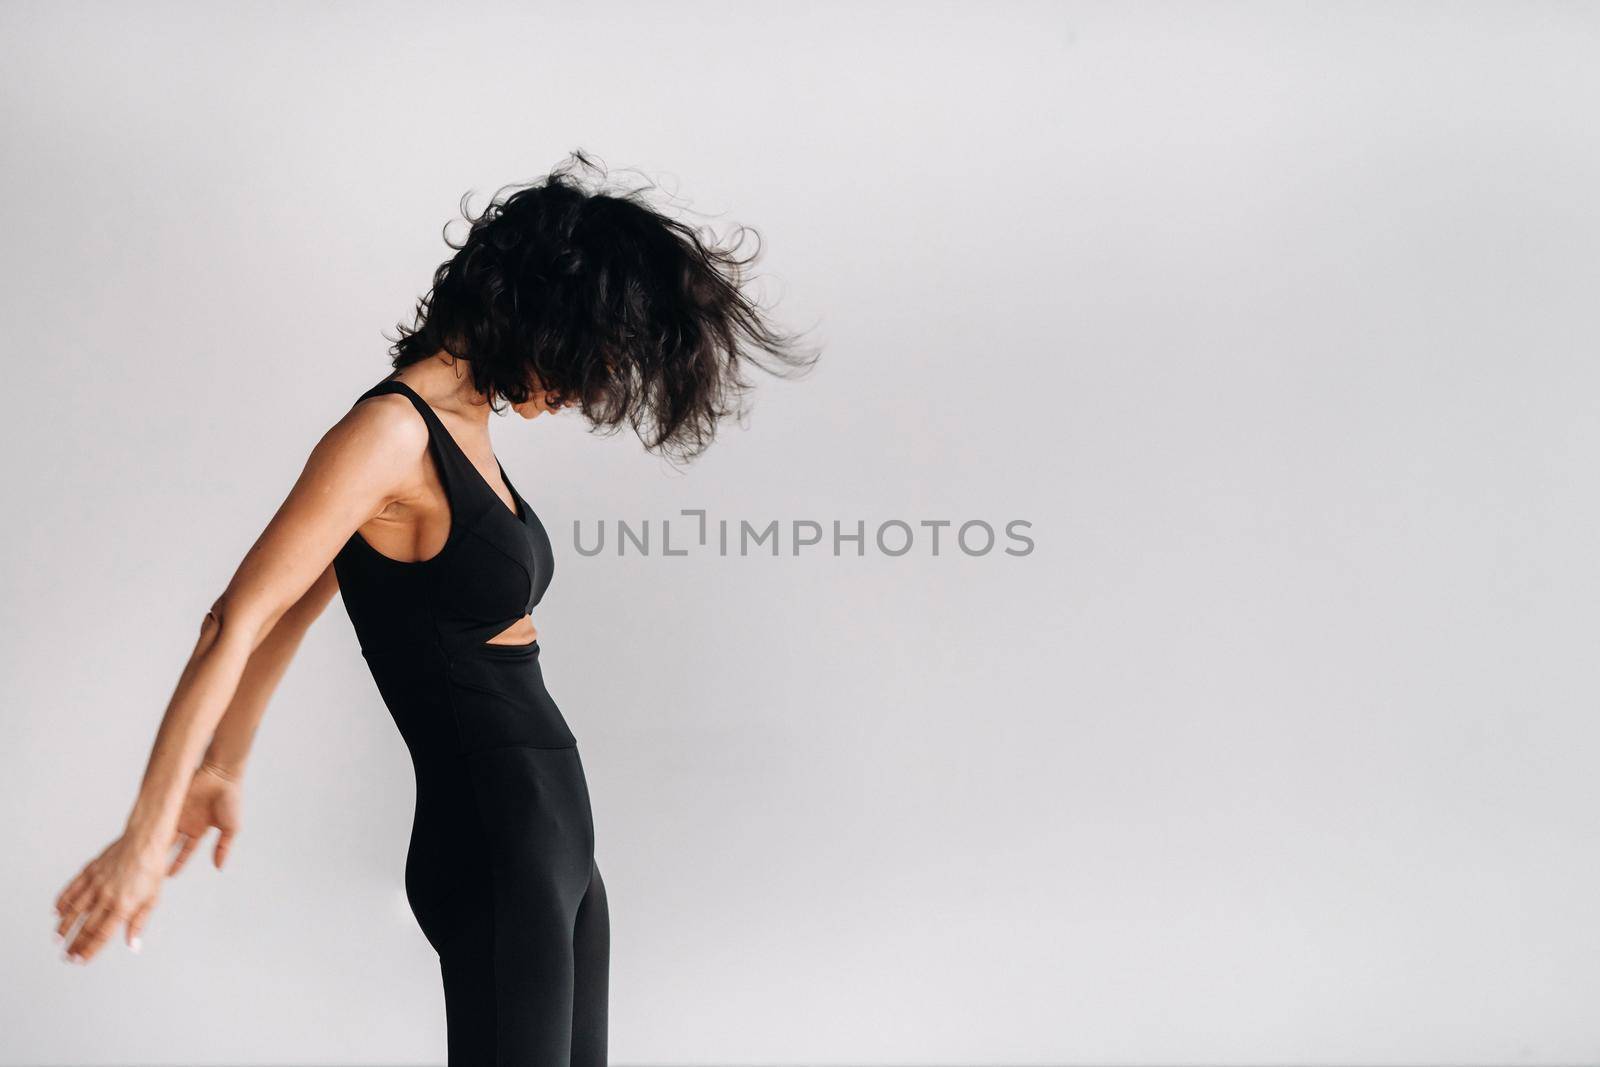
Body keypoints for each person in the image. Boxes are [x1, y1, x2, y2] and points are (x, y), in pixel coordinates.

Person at [51, 149, 815, 1065]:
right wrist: (148, 826)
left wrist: (227, 763)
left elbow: (301, 612)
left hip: (559, 841)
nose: (588, 387)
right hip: (496, 838)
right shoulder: (391, 432)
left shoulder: (469, 432)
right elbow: (239, 617)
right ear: (537, 308)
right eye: (589, 353)